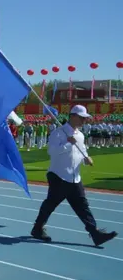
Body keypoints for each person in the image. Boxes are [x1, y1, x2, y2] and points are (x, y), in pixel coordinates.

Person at [31, 105, 117, 247]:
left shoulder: (80, 135)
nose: (84, 120)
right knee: (50, 204)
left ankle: (95, 233)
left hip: (74, 177)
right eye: (81, 117)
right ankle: (37, 228)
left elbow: (82, 150)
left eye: (85, 118)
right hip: (59, 176)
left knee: (82, 206)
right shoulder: (59, 133)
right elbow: (51, 152)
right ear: (73, 116)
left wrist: (86, 158)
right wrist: (67, 144)